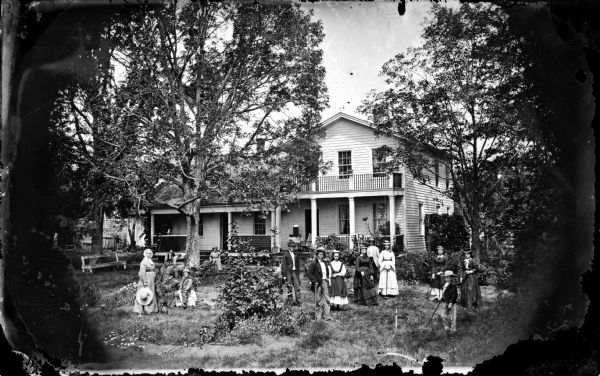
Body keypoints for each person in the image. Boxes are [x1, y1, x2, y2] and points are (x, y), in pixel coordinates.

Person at [307, 247, 331, 320]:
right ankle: (318, 315)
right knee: (318, 299)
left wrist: (327, 278)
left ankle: (326, 315)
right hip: (317, 282)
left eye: (322, 254)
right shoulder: (314, 263)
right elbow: (309, 273)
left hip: (324, 281)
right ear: (317, 254)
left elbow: (327, 271)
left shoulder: (325, 262)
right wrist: (314, 281)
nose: (321, 256)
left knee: (326, 298)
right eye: (320, 254)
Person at [134, 248, 159, 315]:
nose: (149, 254)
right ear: (145, 254)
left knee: (151, 293)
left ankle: (150, 309)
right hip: (146, 279)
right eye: (147, 253)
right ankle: (141, 310)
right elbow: (142, 272)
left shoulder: (150, 261)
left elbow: (153, 269)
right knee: (145, 293)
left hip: (151, 280)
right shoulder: (144, 262)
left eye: (150, 253)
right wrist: (144, 281)